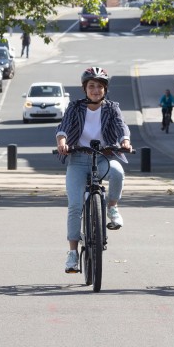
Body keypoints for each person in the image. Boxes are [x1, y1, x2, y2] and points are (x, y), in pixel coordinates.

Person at [55, 66, 132, 273]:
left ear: (105, 89)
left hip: (104, 156)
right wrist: (62, 142)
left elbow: (121, 126)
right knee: (75, 206)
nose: (95, 90)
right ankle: (72, 253)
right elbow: (63, 127)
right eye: (91, 86)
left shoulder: (112, 107)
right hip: (78, 158)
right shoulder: (74, 107)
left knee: (118, 173)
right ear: (85, 89)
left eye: (99, 86)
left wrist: (125, 140)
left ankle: (112, 207)